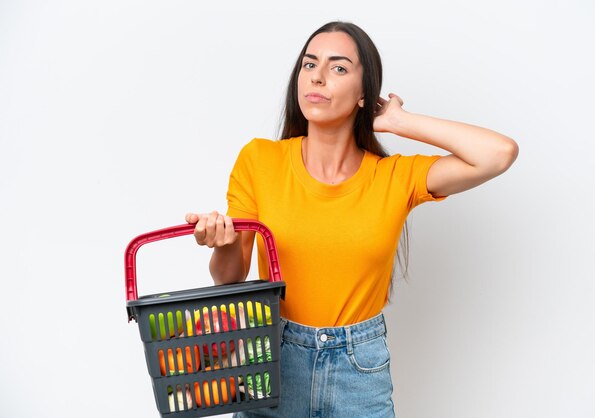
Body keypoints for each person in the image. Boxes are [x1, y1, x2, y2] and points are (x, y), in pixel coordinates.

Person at [185, 21, 518, 418]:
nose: (318, 76)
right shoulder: (260, 161)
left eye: (338, 68)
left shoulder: (393, 177)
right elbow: (229, 279)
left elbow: (499, 153)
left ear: (364, 93)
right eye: (310, 64)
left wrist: (399, 121)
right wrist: (223, 242)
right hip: (274, 359)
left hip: (359, 370)